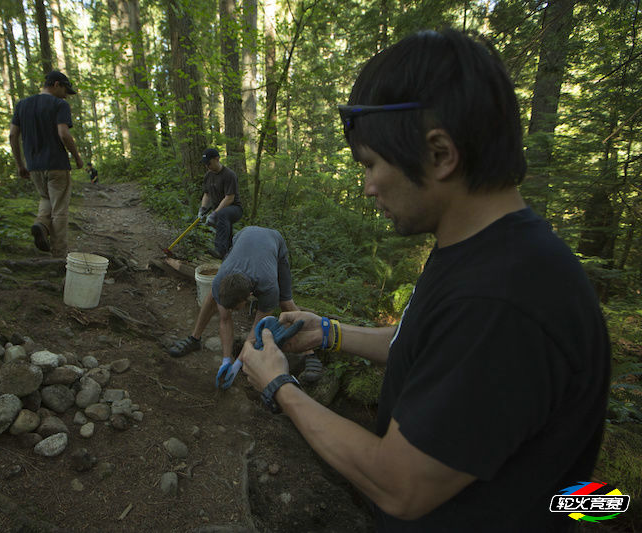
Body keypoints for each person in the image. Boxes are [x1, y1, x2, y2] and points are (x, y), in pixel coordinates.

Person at [239, 29, 610, 531]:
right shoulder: (475, 252)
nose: (368, 187)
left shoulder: (504, 296)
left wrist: (278, 384)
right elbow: (428, 345)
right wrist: (329, 333)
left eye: (371, 165)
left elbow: (400, 484)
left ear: (440, 154)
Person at [167, 226, 323, 385]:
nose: (233, 311)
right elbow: (224, 319)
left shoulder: (268, 286)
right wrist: (227, 360)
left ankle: (310, 354)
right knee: (211, 297)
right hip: (244, 235)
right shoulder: (221, 280)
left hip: (273, 241)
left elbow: (258, 328)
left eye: (235, 308)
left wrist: (239, 363)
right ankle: (194, 339)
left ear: (249, 296)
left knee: (286, 302)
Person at [9, 70, 83, 258]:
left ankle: (41, 225)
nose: (66, 95)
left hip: (34, 166)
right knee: (60, 210)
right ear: (56, 84)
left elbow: (12, 135)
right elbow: (64, 133)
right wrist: (77, 157)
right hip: (57, 164)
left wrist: (20, 165)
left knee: (46, 199)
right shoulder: (59, 105)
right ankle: (59, 253)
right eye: (66, 89)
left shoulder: (22, 105)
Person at [197, 148, 243, 259]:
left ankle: (220, 250)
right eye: (205, 164)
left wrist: (215, 214)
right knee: (223, 221)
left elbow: (229, 198)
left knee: (222, 214)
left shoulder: (229, 175)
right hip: (220, 209)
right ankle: (230, 251)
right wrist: (202, 209)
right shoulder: (208, 176)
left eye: (209, 163)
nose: (207, 167)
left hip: (235, 208)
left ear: (217, 159)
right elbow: (206, 194)